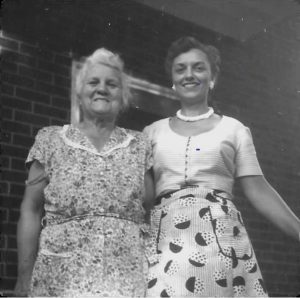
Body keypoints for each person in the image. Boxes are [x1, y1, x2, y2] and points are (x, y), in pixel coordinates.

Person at [143, 36, 300, 297]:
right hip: (166, 241)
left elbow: (258, 190)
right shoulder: (151, 132)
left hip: (220, 239)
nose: (189, 75)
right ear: (172, 79)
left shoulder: (234, 129)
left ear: (212, 77)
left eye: (198, 67)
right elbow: (143, 197)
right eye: (180, 69)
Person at [14, 48, 152, 297]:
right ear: (79, 92)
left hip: (126, 277)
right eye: (93, 82)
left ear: (123, 96)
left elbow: (151, 213)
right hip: (61, 276)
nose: (102, 89)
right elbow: (30, 210)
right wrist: (24, 276)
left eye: (112, 84)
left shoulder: (140, 144)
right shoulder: (50, 139)